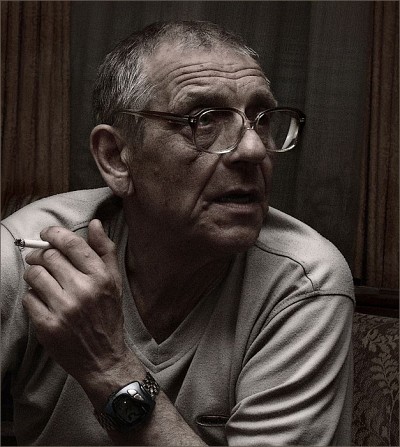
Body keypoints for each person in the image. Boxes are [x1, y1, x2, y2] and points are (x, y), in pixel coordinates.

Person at [1, 20, 354, 446]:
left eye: (261, 120)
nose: (253, 149)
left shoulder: (304, 283)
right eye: (203, 120)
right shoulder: (26, 253)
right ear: (116, 157)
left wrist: (110, 368)